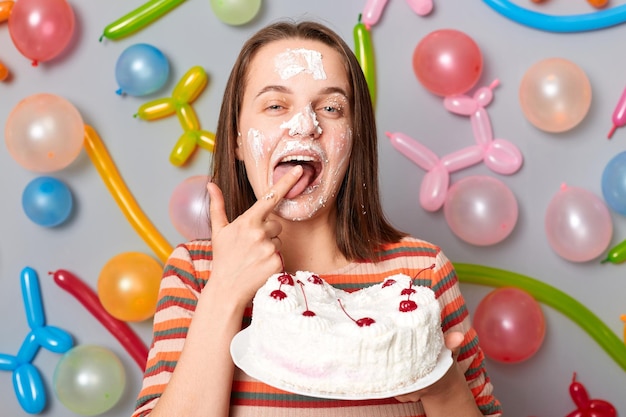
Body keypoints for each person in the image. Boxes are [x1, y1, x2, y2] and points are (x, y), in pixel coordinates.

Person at [132, 19, 502, 417]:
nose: (306, 126)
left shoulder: (421, 272)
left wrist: (442, 386)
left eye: (330, 107)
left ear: (354, 138)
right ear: (238, 140)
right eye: (276, 105)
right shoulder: (195, 272)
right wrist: (224, 289)